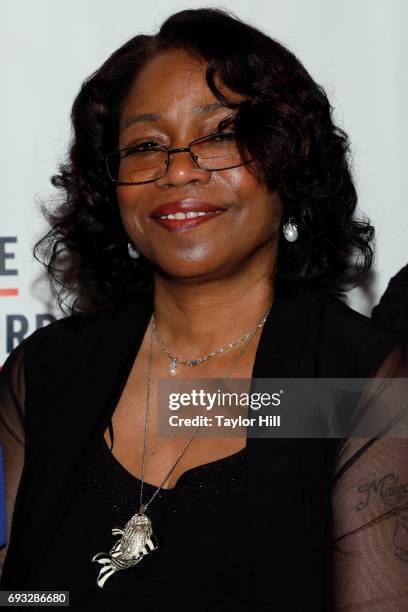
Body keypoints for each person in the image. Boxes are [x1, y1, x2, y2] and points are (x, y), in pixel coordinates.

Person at [0, 8, 407, 611]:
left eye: (219, 134)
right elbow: (26, 595)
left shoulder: (352, 384)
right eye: (145, 145)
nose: (179, 169)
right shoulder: (48, 372)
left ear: (288, 161)